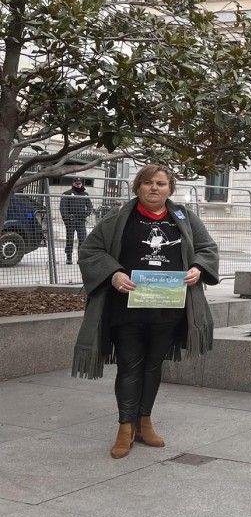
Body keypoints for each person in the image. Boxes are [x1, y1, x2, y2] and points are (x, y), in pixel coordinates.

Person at [72, 164, 219, 459]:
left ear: (170, 189)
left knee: (153, 366)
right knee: (129, 366)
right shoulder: (117, 220)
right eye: (149, 183)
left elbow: (208, 249)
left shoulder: (185, 219)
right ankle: (125, 427)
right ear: (138, 187)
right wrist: (113, 274)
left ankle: (144, 422)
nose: (155, 188)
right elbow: (90, 251)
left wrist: (197, 268)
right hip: (128, 309)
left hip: (168, 309)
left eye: (161, 184)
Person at [60, 178, 94, 264]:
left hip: (81, 220)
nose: (78, 185)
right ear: (73, 183)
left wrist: (86, 214)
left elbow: (90, 206)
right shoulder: (67, 193)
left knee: (83, 239)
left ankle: (81, 258)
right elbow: (63, 208)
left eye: (80, 183)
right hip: (71, 220)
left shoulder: (85, 194)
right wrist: (67, 219)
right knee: (69, 239)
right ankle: (69, 258)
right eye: (77, 183)